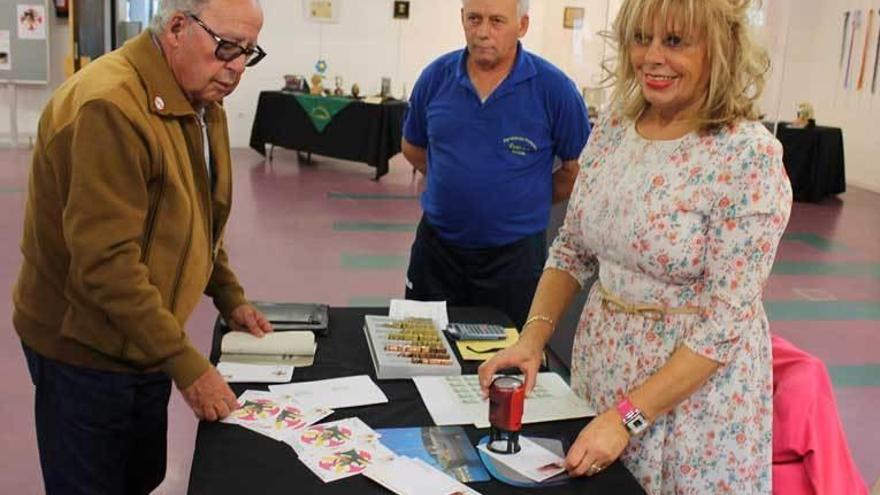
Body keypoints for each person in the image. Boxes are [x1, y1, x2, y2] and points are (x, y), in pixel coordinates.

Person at [479, 0, 792, 493]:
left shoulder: (747, 156)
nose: (651, 56)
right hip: (603, 369)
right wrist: (531, 341)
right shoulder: (614, 130)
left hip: (692, 404)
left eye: (674, 41)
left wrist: (626, 418)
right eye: (641, 38)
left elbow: (724, 324)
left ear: (720, 50)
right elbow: (572, 248)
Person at [13, 0, 271, 492]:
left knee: (138, 477)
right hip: (84, 349)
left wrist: (229, 295)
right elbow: (106, 264)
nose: (236, 67)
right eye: (226, 48)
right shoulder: (109, 108)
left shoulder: (199, 99)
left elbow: (200, 213)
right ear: (177, 27)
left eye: (248, 53)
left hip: (145, 335)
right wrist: (188, 366)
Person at [402, 0, 590, 329]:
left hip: (514, 260)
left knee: (507, 364)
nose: (483, 32)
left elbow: (578, 171)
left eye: (497, 21)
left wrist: (522, 198)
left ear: (523, 26)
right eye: (474, 19)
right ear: (462, 19)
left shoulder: (554, 90)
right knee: (421, 354)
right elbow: (412, 147)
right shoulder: (435, 78)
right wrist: (458, 183)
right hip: (436, 253)